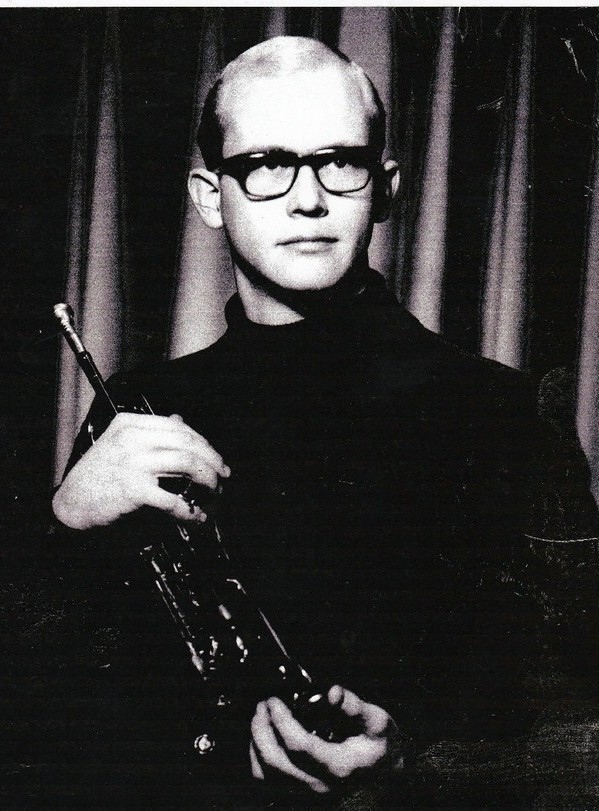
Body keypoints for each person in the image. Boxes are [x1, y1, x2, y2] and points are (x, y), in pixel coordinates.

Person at [51, 37, 598, 808]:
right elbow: (42, 727)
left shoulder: (506, 413)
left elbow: (579, 733)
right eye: (265, 164)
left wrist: (419, 766)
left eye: (339, 161)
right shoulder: (135, 408)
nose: (306, 198)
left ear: (386, 186)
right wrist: (64, 524)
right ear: (210, 195)